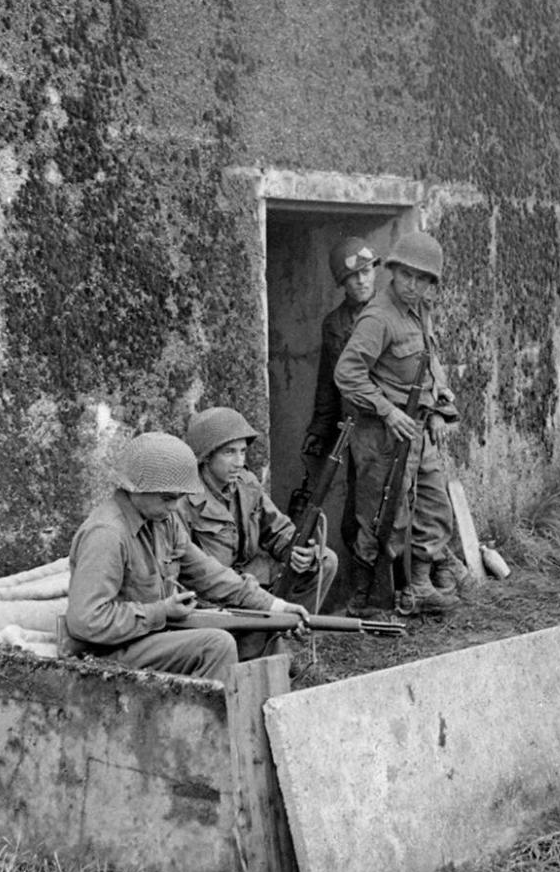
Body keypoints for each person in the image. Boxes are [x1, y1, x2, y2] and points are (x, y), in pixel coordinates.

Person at [65, 432, 309, 682]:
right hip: (106, 651)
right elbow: (86, 622)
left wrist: (277, 608)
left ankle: (256, 711)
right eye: (168, 498)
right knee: (216, 644)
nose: (174, 507)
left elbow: (210, 575)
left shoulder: (162, 521)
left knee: (254, 625)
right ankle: (210, 720)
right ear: (135, 488)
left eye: (179, 498)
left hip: (149, 636)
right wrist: (161, 612)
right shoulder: (107, 534)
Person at [334, 230, 467, 617]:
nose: (414, 285)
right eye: (407, 275)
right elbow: (348, 374)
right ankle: (365, 599)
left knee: (432, 504)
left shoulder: (419, 310)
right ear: (392, 272)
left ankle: (421, 586)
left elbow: (427, 361)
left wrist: (440, 403)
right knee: (381, 519)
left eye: (423, 278)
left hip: (417, 428)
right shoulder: (378, 317)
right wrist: (387, 412)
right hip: (382, 434)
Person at [182, 407, 338, 631]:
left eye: (243, 452)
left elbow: (277, 530)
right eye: (229, 452)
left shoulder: (246, 483)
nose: (238, 461)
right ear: (206, 456)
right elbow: (192, 571)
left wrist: (297, 551)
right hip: (212, 590)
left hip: (251, 574)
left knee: (324, 560)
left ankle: (291, 634)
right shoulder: (184, 500)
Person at [300, 236, 381, 547]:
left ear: (375, 271)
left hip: (394, 424)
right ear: (342, 282)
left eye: (366, 272)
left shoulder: (395, 313)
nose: (361, 281)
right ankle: (363, 587)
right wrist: (321, 428)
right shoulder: (334, 324)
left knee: (398, 509)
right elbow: (329, 380)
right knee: (358, 513)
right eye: (352, 276)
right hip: (358, 428)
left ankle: (421, 578)